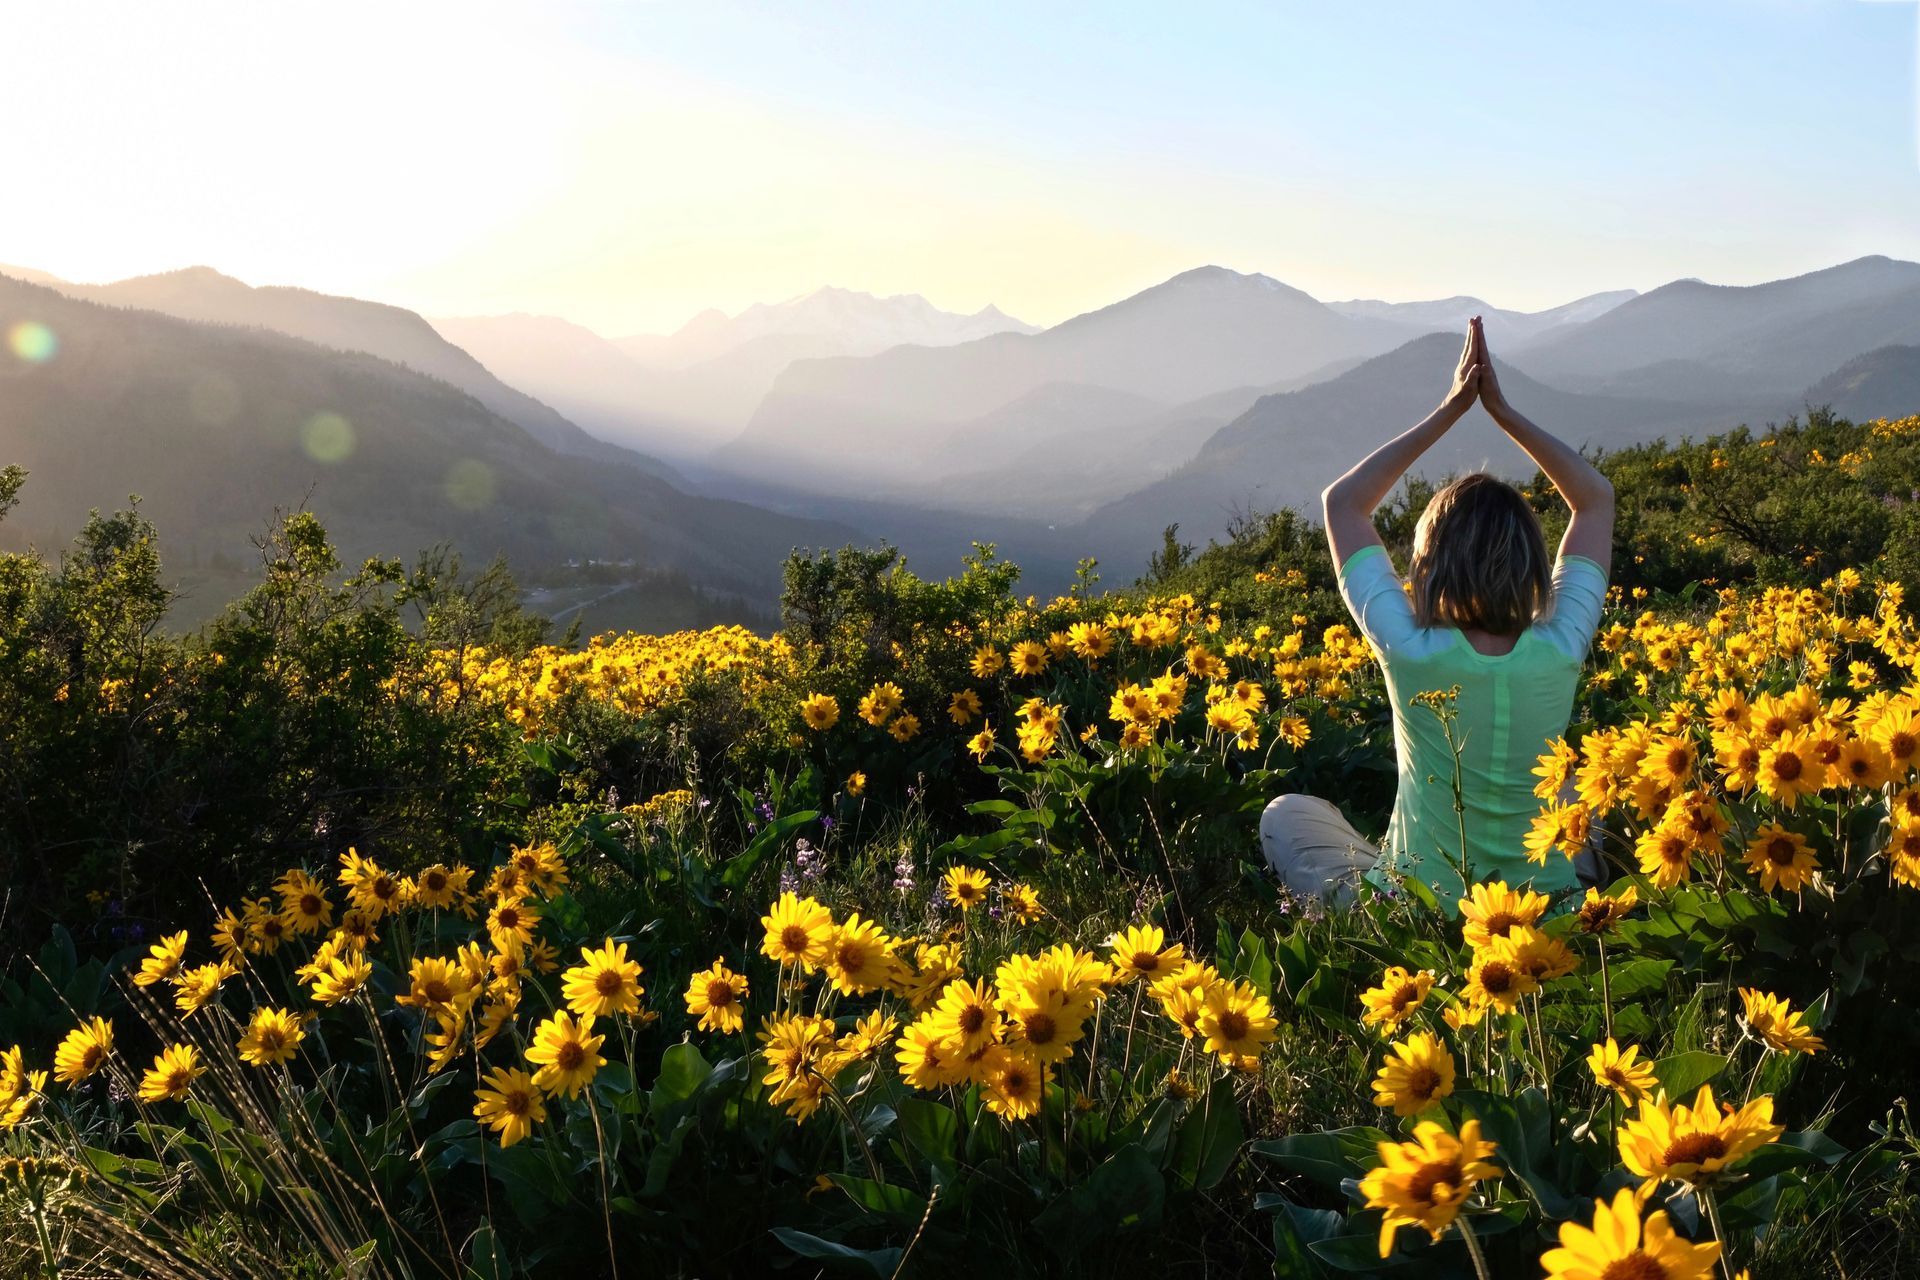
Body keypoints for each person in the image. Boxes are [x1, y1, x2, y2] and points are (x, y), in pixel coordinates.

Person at [1261, 316, 1613, 904]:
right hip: (1549, 913)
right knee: (1587, 788)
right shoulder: (1561, 644)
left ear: (1428, 568)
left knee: (1288, 814)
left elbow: (1343, 503)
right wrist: (1503, 412)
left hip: (1420, 912)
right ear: (1531, 563)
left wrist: (1451, 408)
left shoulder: (1410, 649)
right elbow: (1595, 499)